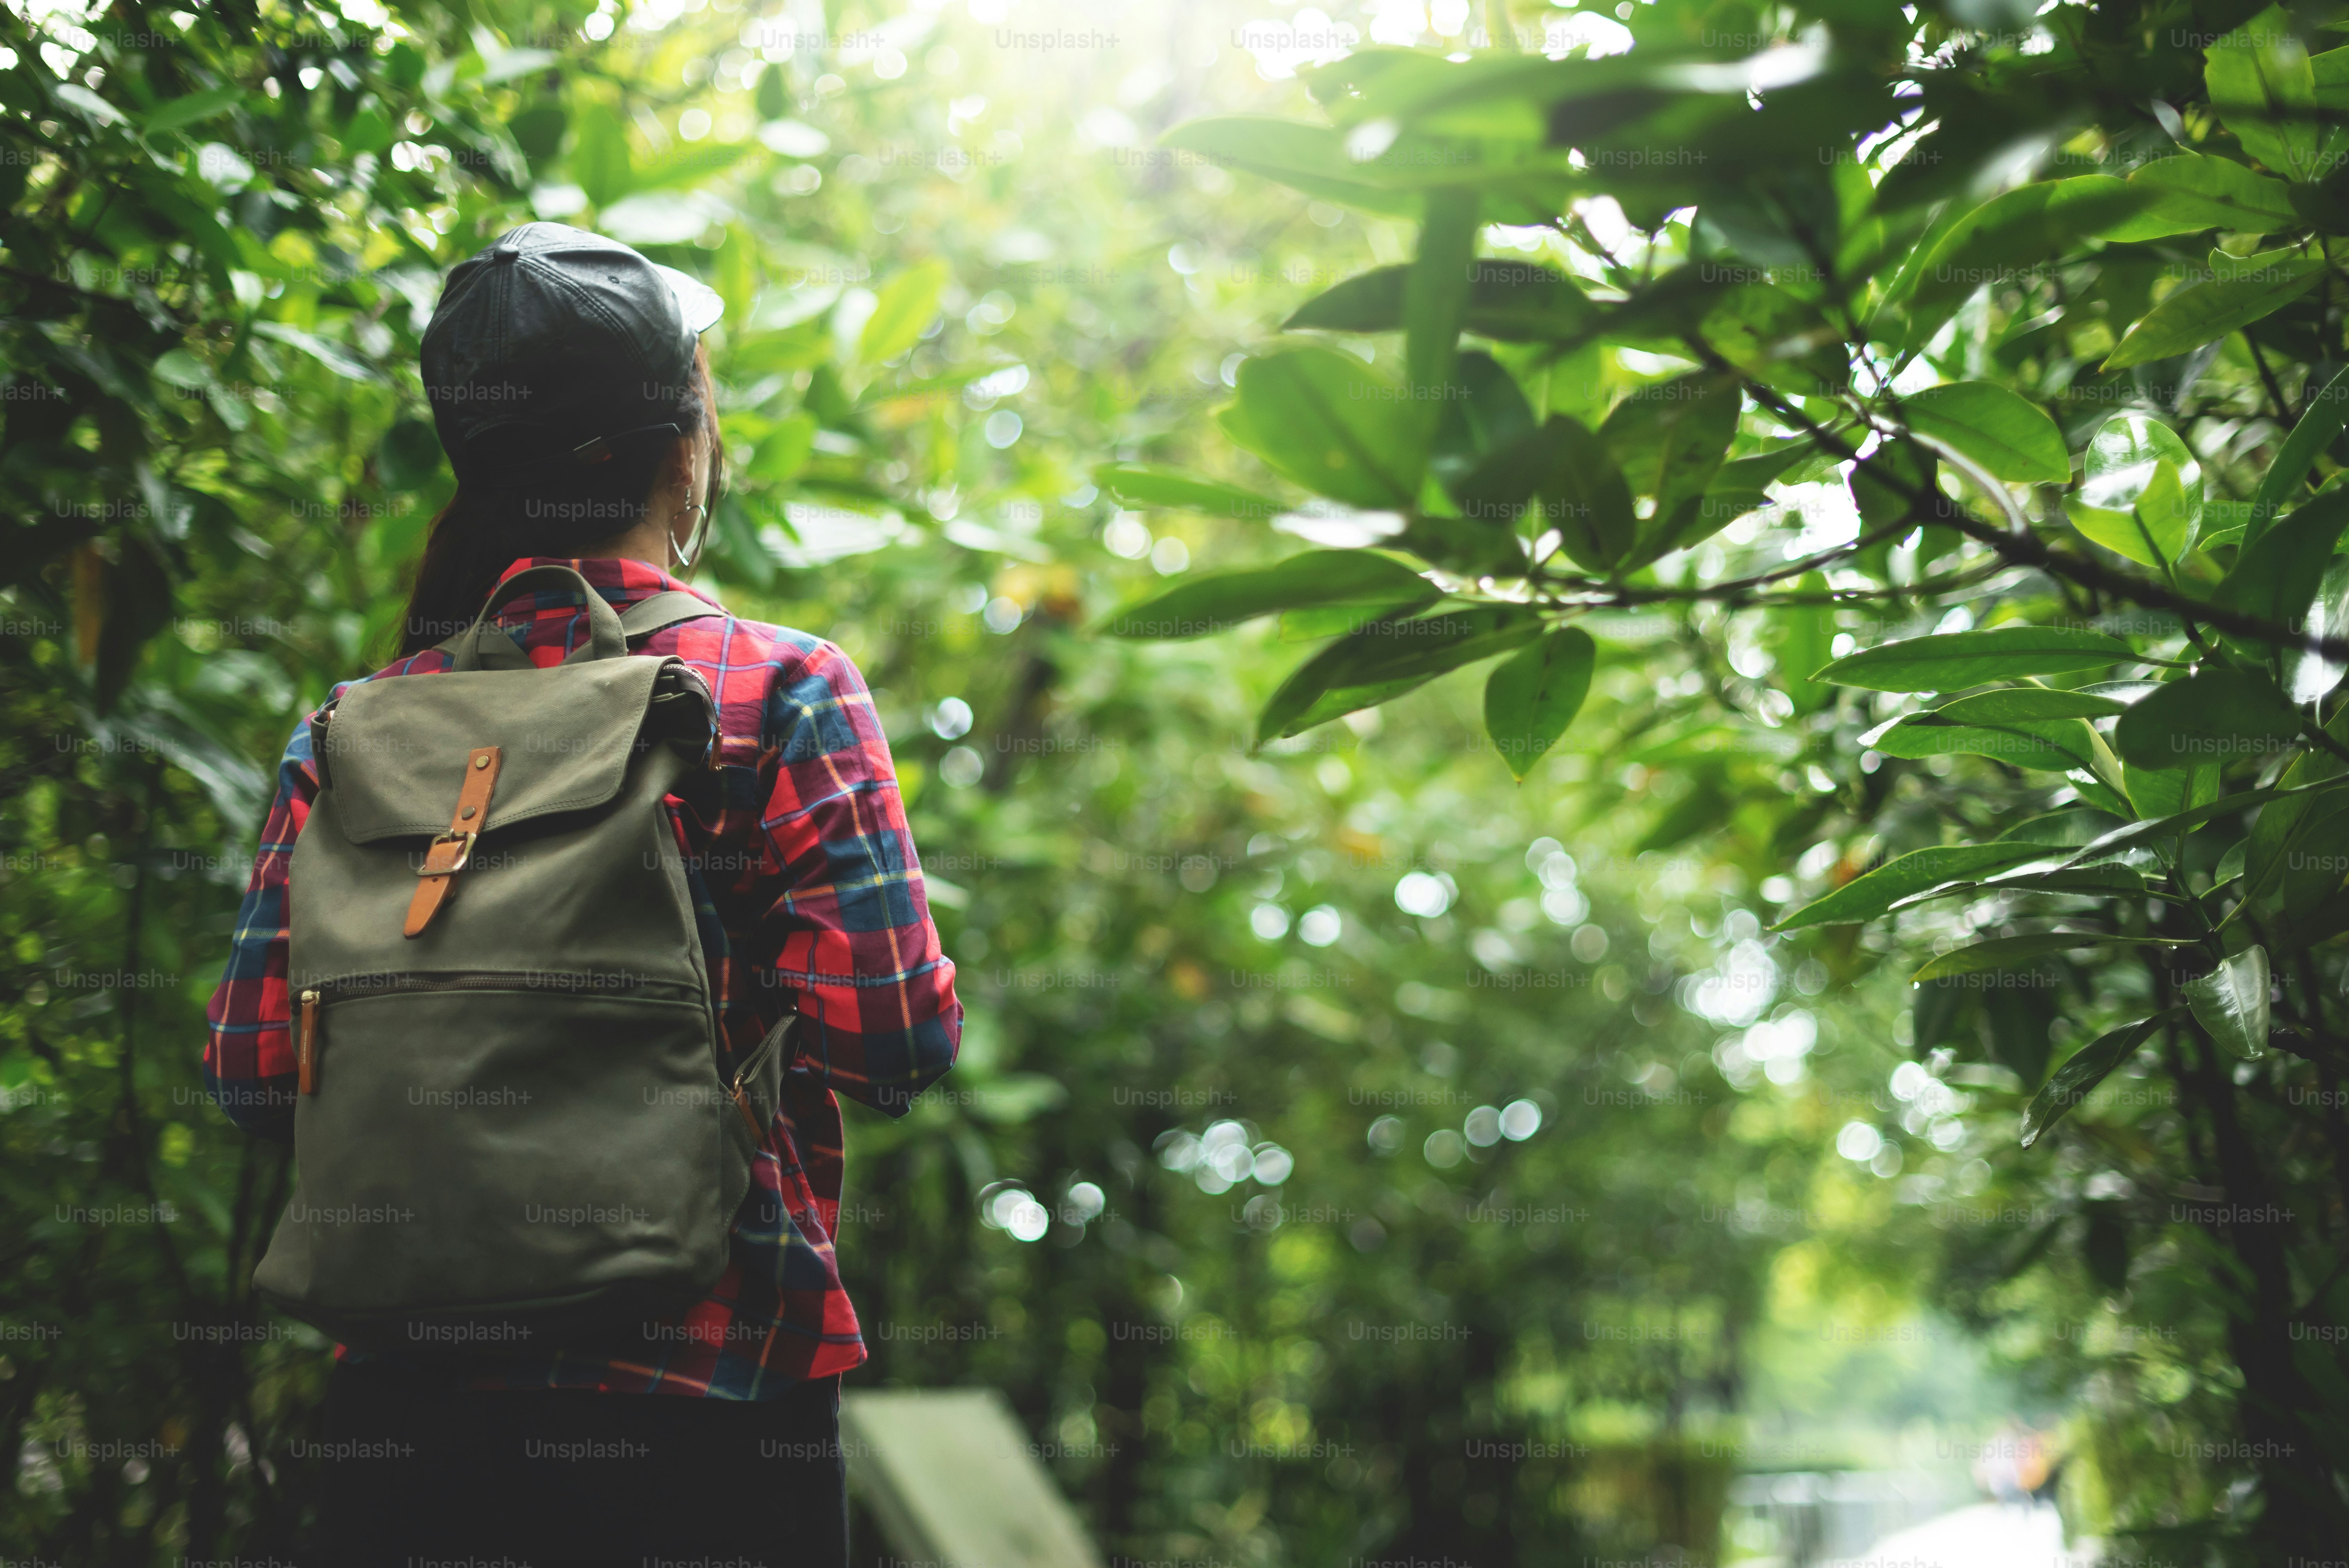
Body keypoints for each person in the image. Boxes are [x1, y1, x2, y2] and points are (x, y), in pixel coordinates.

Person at [201, 222, 962, 1567]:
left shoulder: (353, 728)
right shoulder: (777, 691)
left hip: (405, 1421)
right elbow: (893, 1041)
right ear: (686, 441)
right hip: (713, 1399)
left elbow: (258, 1074)